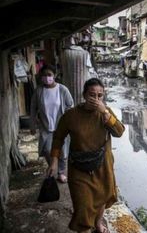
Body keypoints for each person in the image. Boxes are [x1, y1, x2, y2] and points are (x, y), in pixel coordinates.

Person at [47, 78, 125, 233]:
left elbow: (119, 132)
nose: (96, 99)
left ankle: (97, 224)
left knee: (102, 196)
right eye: (92, 95)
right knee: (82, 206)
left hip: (103, 166)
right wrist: (54, 161)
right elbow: (58, 137)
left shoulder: (105, 112)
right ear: (84, 95)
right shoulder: (71, 115)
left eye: (100, 95)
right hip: (79, 168)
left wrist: (105, 113)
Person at [30, 65, 74, 183]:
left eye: (49, 75)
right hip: (45, 126)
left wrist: (68, 119)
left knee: (63, 152)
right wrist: (32, 124)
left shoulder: (62, 89)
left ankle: (61, 172)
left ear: (54, 75)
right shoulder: (39, 90)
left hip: (61, 126)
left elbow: (70, 105)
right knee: (46, 149)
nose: (46, 78)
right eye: (44, 75)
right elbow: (33, 108)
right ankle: (52, 166)